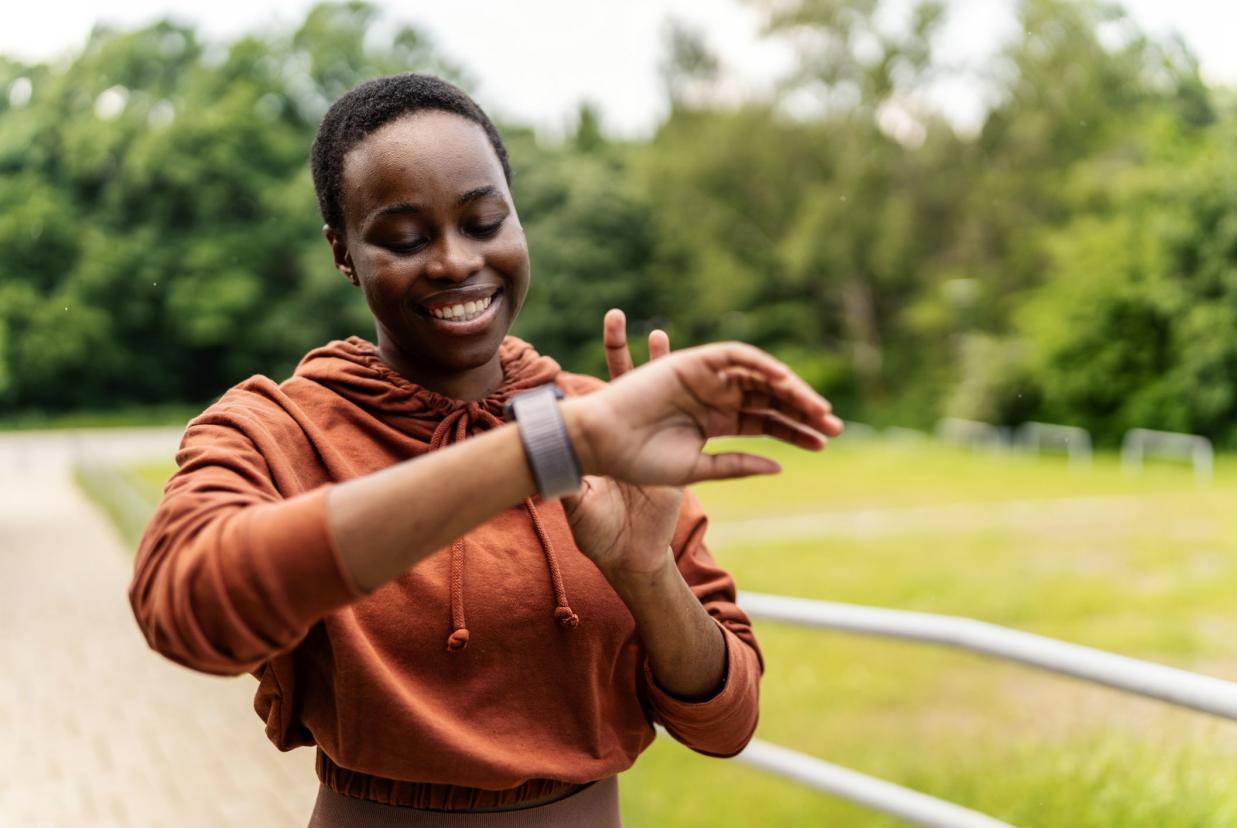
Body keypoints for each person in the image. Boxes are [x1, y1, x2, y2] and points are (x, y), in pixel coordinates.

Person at [128, 73, 842, 827]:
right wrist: (540, 451)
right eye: (403, 238)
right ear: (343, 253)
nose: (454, 261)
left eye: (484, 221)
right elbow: (185, 607)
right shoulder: (276, 429)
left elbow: (727, 723)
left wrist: (646, 571)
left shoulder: (606, 428)